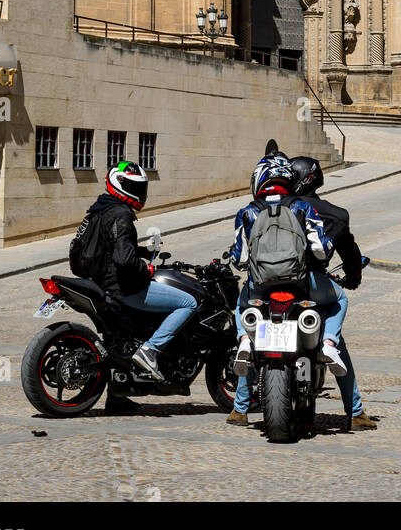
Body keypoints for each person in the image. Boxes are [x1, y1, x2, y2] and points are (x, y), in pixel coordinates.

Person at [226, 156, 341, 427]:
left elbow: (240, 258)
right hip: (300, 285)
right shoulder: (302, 207)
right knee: (340, 299)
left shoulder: (248, 212)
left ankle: (244, 341)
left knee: (243, 307)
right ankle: (329, 345)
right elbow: (321, 250)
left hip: (261, 287)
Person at [82, 160, 198, 382]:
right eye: (134, 188)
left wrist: (144, 251)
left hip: (101, 283)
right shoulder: (121, 214)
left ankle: (117, 396)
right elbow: (124, 260)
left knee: (119, 337)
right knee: (188, 302)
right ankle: (151, 350)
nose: (139, 193)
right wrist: (146, 269)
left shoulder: (100, 209)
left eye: (140, 188)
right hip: (122, 288)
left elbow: (113, 246)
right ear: (120, 184)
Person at [287, 155, 377, 432]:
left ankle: (240, 407)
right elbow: (350, 252)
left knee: (257, 340)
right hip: (315, 285)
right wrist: (353, 277)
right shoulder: (335, 214)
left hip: (276, 286)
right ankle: (356, 412)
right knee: (337, 340)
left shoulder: (277, 208)